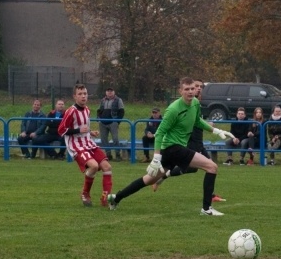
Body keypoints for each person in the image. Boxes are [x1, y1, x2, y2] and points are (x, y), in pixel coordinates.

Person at [107, 76, 234, 215]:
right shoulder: (173, 109)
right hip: (172, 148)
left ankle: (115, 198)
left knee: (149, 179)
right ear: (180, 91)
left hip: (174, 149)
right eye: (187, 89)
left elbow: (197, 121)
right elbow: (160, 133)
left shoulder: (195, 103)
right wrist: (156, 157)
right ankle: (206, 209)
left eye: (192, 88)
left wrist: (216, 130)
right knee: (212, 167)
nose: (190, 91)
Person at [150, 79, 225, 202]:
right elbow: (191, 122)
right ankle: (163, 177)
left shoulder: (196, 102)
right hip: (191, 140)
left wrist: (211, 127)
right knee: (206, 166)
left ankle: (210, 195)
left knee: (208, 166)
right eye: (196, 86)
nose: (198, 88)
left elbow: (198, 120)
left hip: (199, 140)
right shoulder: (184, 103)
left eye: (200, 86)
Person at [58, 84, 113, 207]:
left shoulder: (87, 110)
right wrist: (78, 131)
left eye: (85, 94)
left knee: (107, 167)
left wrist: (90, 132)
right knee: (93, 166)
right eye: (80, 94)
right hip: (76, 145)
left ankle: (106, 198)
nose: (83, 96)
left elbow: (84, 127)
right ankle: (85, 193)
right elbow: (61, 130)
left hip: (89, 143)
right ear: (74, 96)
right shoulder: (71, 111)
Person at [97, 87, 125, 161]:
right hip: (102, 123)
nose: (109, 92)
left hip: (113, 122)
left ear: (114, 92)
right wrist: (99, 119)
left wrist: (117, 121)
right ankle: (108, 154)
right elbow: (99, 110)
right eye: (108, 91)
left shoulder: (118, 100)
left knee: (115, 139)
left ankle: (118, 155)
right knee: (103, 139)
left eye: (111, 91)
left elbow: (121, 111)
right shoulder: (102, 100)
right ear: (106, 92)